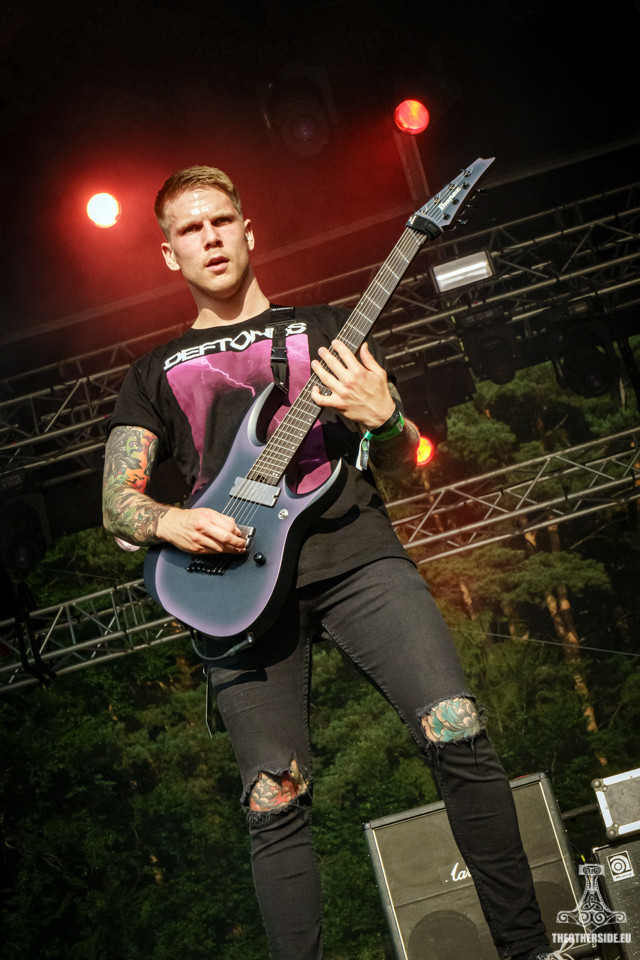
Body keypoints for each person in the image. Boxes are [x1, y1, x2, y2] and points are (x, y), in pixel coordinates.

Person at [103, 165, 553, 960]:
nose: (210, 238)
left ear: (248, 231)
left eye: (221, 221)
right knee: (272, 800)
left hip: (356, 557)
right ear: (169, 253)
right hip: (234, 591)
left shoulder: (326, 328)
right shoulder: (150, 374)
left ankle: (528, 948)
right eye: (190, 229)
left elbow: (407, 452)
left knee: (456, 726)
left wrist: (390, 417)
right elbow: (117, 506)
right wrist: (173, 520)